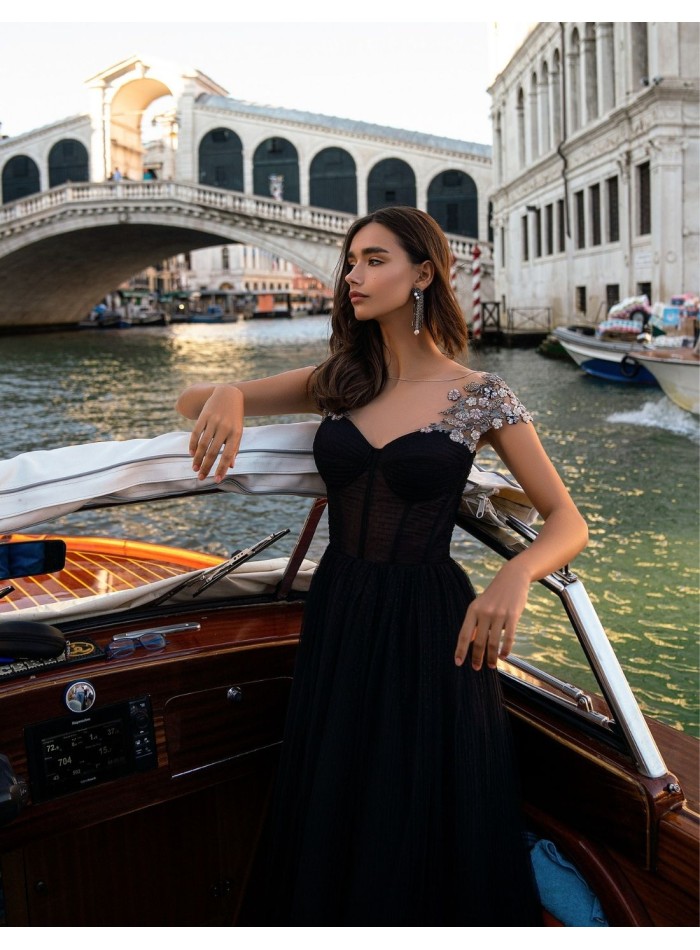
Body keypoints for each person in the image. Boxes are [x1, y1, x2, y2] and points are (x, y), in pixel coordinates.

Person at [175, 206, 589, 925]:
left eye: (373, 260)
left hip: (430, 622)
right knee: (338, 784)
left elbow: (567, 520)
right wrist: (232, 391)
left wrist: (514, 576)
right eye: (351, 261)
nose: (352, 275)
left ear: (423, 272)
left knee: (413, 792)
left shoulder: (481, 395)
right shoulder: (343, 378)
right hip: (340, 609)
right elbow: (190, 403)